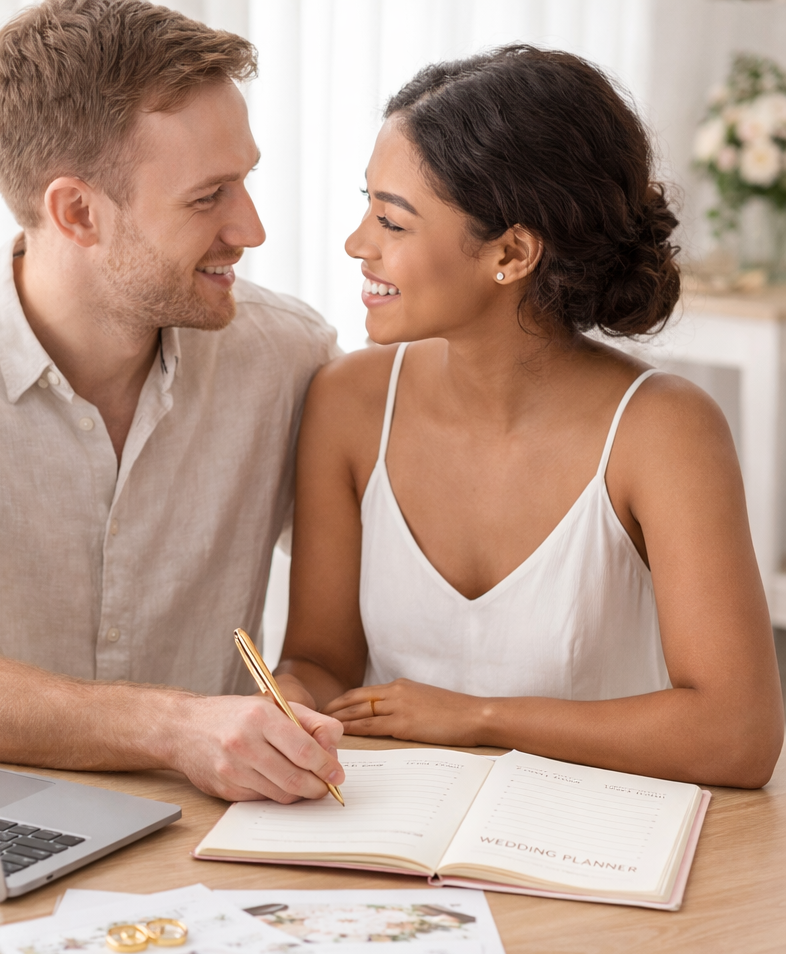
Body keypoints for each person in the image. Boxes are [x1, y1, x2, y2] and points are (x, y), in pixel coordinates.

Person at [0, 0, 344, 803]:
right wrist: (174, 727)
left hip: (217, 838)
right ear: (76, 211)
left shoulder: (287, 355)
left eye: (246, 181)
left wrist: (293, 698)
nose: (249, 229)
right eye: (208, 196)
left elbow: (367, 614)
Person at [274, 46, 784, 788]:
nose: (358, 244)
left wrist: (481, 717)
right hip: (393, 837)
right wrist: (287, 707)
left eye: (392, 222)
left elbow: (738, 735)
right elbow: (320, 663)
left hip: (600, 846)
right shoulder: (349, 403)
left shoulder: (663, 431)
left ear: (511, 252)